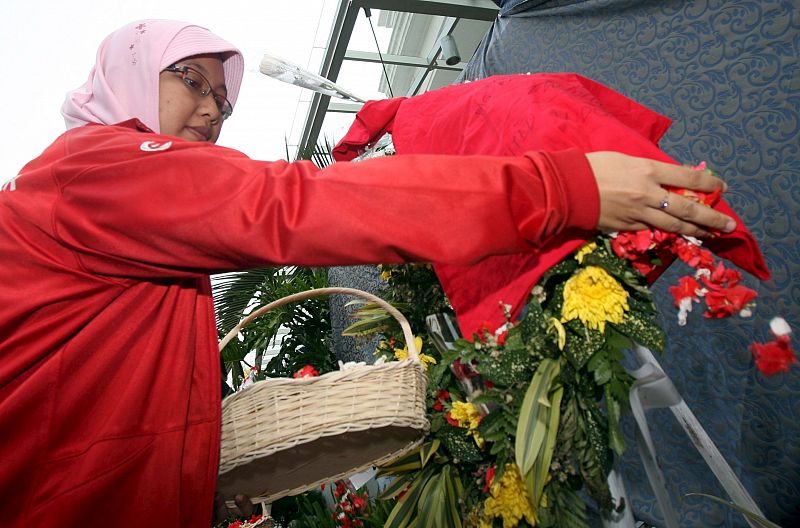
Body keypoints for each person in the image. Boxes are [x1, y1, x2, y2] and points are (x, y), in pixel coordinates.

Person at [0, 19, 736, 527]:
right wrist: (562, 188)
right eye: (190, 80)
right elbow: (286, 204)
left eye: (222, 99)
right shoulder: (93, 168)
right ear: (126, 75)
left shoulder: (124, 218)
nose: (210, 109)